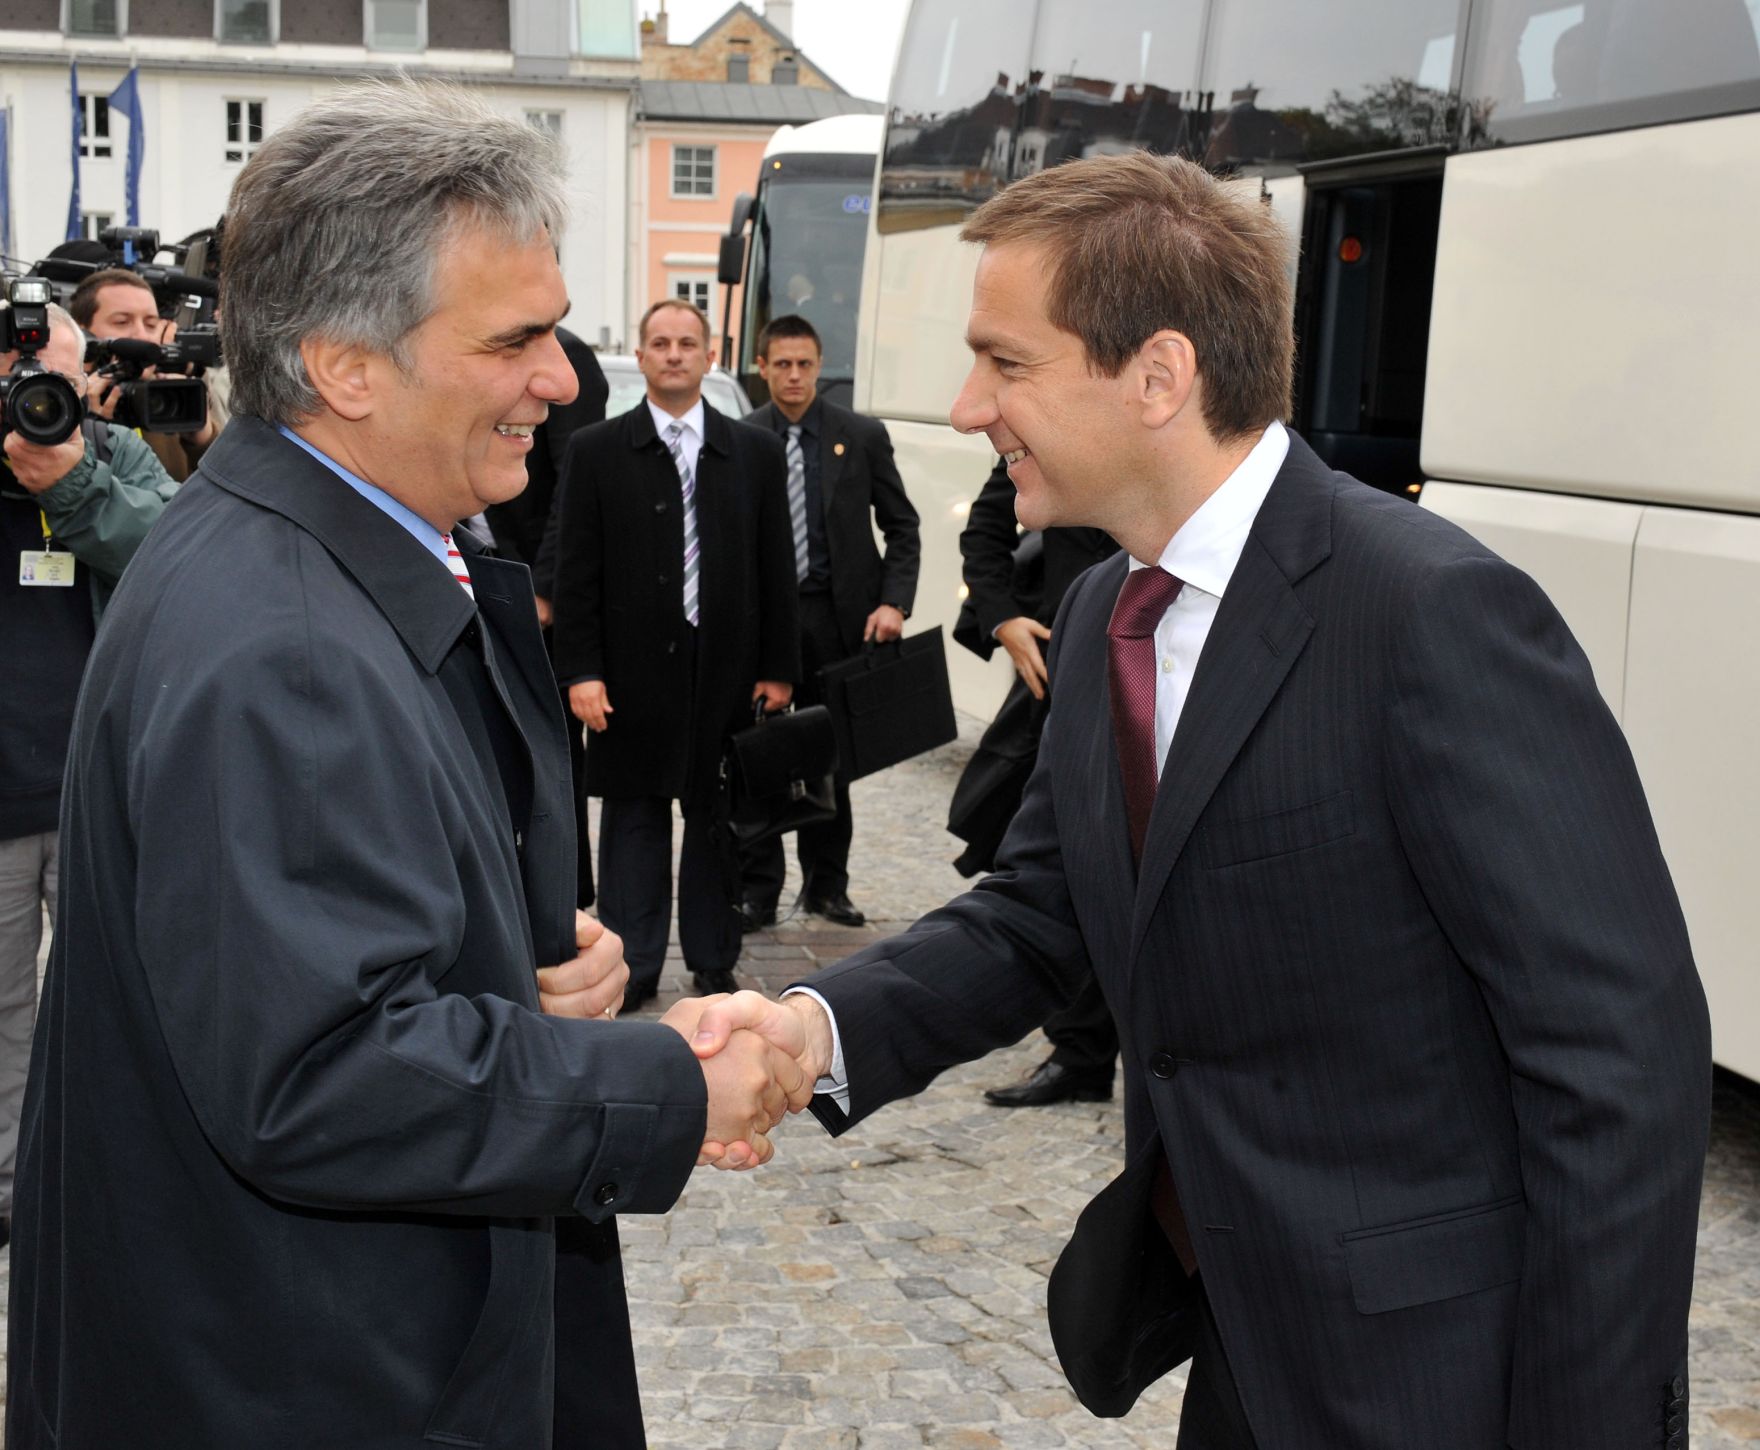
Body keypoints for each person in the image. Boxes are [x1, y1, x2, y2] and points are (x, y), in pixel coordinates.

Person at [693, 151, 1712, 1449]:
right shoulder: (1108, 609)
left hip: (1439, 1385)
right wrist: (811, 1031)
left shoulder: (1428, 614)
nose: (965, 408)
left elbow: (1620, 1063)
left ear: (1159, 376)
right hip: (1241, 1365)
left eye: (1006, 363)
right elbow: (1037, 912)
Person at [5, 81, 809, 1450]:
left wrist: (523, 964)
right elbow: (320, 1068)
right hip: (321, 1377)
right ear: (346, 365)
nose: (561, 379)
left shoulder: (345, 541)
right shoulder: (281, 638)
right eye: (520, 338)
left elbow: (330, 935)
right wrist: (660, 1078)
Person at [550, 298, 799, 1010]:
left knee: (718, 819)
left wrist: (777, 669)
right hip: (629, 673)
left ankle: (716, 957)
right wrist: (582, 670)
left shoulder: (754, 452)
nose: (673, 355)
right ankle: (633, 965)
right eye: (659, 343)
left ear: (710, 354)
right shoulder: (597, 451)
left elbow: (775, 565)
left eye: (686, 343)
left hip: (724, 665)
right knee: (633, 822)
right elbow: (576, 571)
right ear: (642, 352)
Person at [1, 302, 179, 1254]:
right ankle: (11, 1190)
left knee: (117, 992)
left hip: (96, 784)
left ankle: (111, 1171)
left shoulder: (113, 455)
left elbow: (171, 551)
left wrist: (72, 482)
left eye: (57, 388)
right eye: (19, 387)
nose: (35, 404)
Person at [737, 314, 921, 929]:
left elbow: (903, 526)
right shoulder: (741, 438)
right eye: (782, 364)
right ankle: (759, 891)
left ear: (819, 366)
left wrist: (893, 602)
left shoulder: (860, 436)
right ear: (762, 368)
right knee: (760, 752)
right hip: (766, 621)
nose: (794, 376)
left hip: (839, 623)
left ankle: (826, 886)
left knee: (833, 761)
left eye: (805, 364)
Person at [954, 457, 1121, 1106]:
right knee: (1063, 858)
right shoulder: (1050, 423)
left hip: (1167, 676)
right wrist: (1001, 617)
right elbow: (985, 528)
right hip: (1065, 675)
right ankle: (1080, 1052)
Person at [483, 323, 611, 912]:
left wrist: (543, 588)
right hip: (499, 582)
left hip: (544, 600)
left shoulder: (570, 359)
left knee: (554, 763)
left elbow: (576, 491)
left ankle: (564, 900)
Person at [69, 264, 228, 481]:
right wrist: (88, 426)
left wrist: (204, 442)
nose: (143, 336)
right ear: (81, 334)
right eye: (122, 322)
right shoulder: (67, 407)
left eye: (151, 324)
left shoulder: (172, 401)